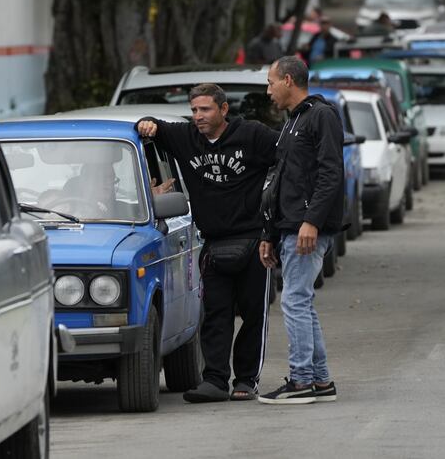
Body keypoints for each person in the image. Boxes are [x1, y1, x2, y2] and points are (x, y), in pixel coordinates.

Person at [136, 83, 279, 403]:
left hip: (255, 242)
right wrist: (146, 123)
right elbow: (152, 127)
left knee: (255, 315)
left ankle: (246, 380)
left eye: (205, 109)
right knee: (215, 314)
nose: (198, 116)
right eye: (194, 110)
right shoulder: (186, 137)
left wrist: (281, 211)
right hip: (214, 244)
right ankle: (214, 380)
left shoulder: (253, 136)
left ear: (223, 110)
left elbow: (290, 155)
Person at [257, 56, 344, 404]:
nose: (268, 90)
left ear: (289, 80)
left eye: (271, 82)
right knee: (301, 302)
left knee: (294, 301)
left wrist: (312, 221)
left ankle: (301, 381)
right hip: (288, 227)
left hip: (306, 228)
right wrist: (268, 233)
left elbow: (331, 174)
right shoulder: (294, 120)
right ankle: (320, 381)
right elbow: (280, 181)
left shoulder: (321, 116)